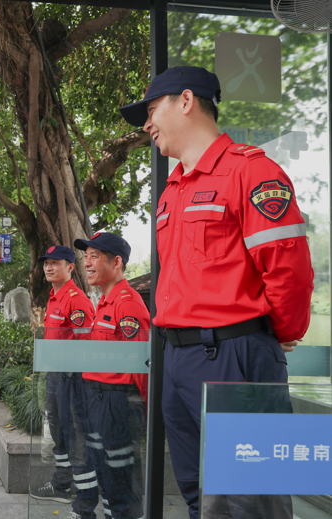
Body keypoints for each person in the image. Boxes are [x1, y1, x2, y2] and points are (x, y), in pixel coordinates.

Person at [120, 65, 313, 519]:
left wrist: (274, 332)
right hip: (178, 360)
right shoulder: (172, 190)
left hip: (234, 356)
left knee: (251, 500)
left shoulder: (251, 171)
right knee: (198, 495)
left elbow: (288, 267)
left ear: (186, 101)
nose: (147, 124)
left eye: (152, 110)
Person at [74, 232, 148, 519]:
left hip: (117, 403)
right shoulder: (104, 302)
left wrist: (144, 409)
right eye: (85, 257)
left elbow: (142, 364)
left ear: (116, 262)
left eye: (94, 256)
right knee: (104, 469)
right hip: (97, 398)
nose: (87, 263)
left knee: (119, 475)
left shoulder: (127, 303)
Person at [29, 245, 99, 518]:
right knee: (58, 433)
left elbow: (86, 345)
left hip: (73, 379)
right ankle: (61, 484)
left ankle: (83, 504)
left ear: (70, 267)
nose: (48, 267)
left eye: (56, 263)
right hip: (56, 375)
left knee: (75, 440)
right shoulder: (54, 296)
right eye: (46, 263)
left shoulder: (76, 299)